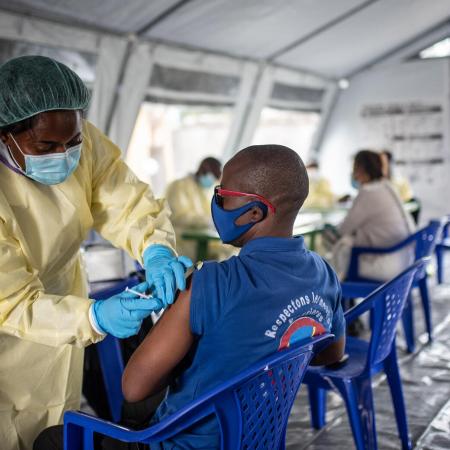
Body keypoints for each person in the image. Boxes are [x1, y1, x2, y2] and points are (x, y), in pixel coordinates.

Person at [35, 144, 346, 449]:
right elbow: (330, 354)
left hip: (182, 443)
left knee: (51, 439)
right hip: (256, 437)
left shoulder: (212, 282)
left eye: (222, 197)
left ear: (254, 212)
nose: (215, 203)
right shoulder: (323, 273)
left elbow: (133, 386)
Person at [0, 55, 192, 450]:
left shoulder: (83, 143)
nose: (65, 154)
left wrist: (155, 247)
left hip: (61, 310)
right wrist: (95, 315)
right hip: (9, 322)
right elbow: (12, 304)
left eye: (73, 141)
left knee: (52, 424)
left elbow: (127, 201)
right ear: (6, 134)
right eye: (46, 145)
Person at [330, 150, 415, 281]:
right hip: (405, 260)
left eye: (355, 167)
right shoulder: (387, 187)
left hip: (385, 265)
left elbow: (344, 229)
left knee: (337, 247)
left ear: (361, 169)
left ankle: (336, 296)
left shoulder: (368, 192)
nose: (353, 173)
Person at [165, 157, 225, 260]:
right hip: (180, 239)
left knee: (227, 249)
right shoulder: (179, 185)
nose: (212, 181)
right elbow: (179, 216)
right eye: (213, 176)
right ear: (204, 170)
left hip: (199, 238)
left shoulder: (202, 189)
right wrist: (207, 221)